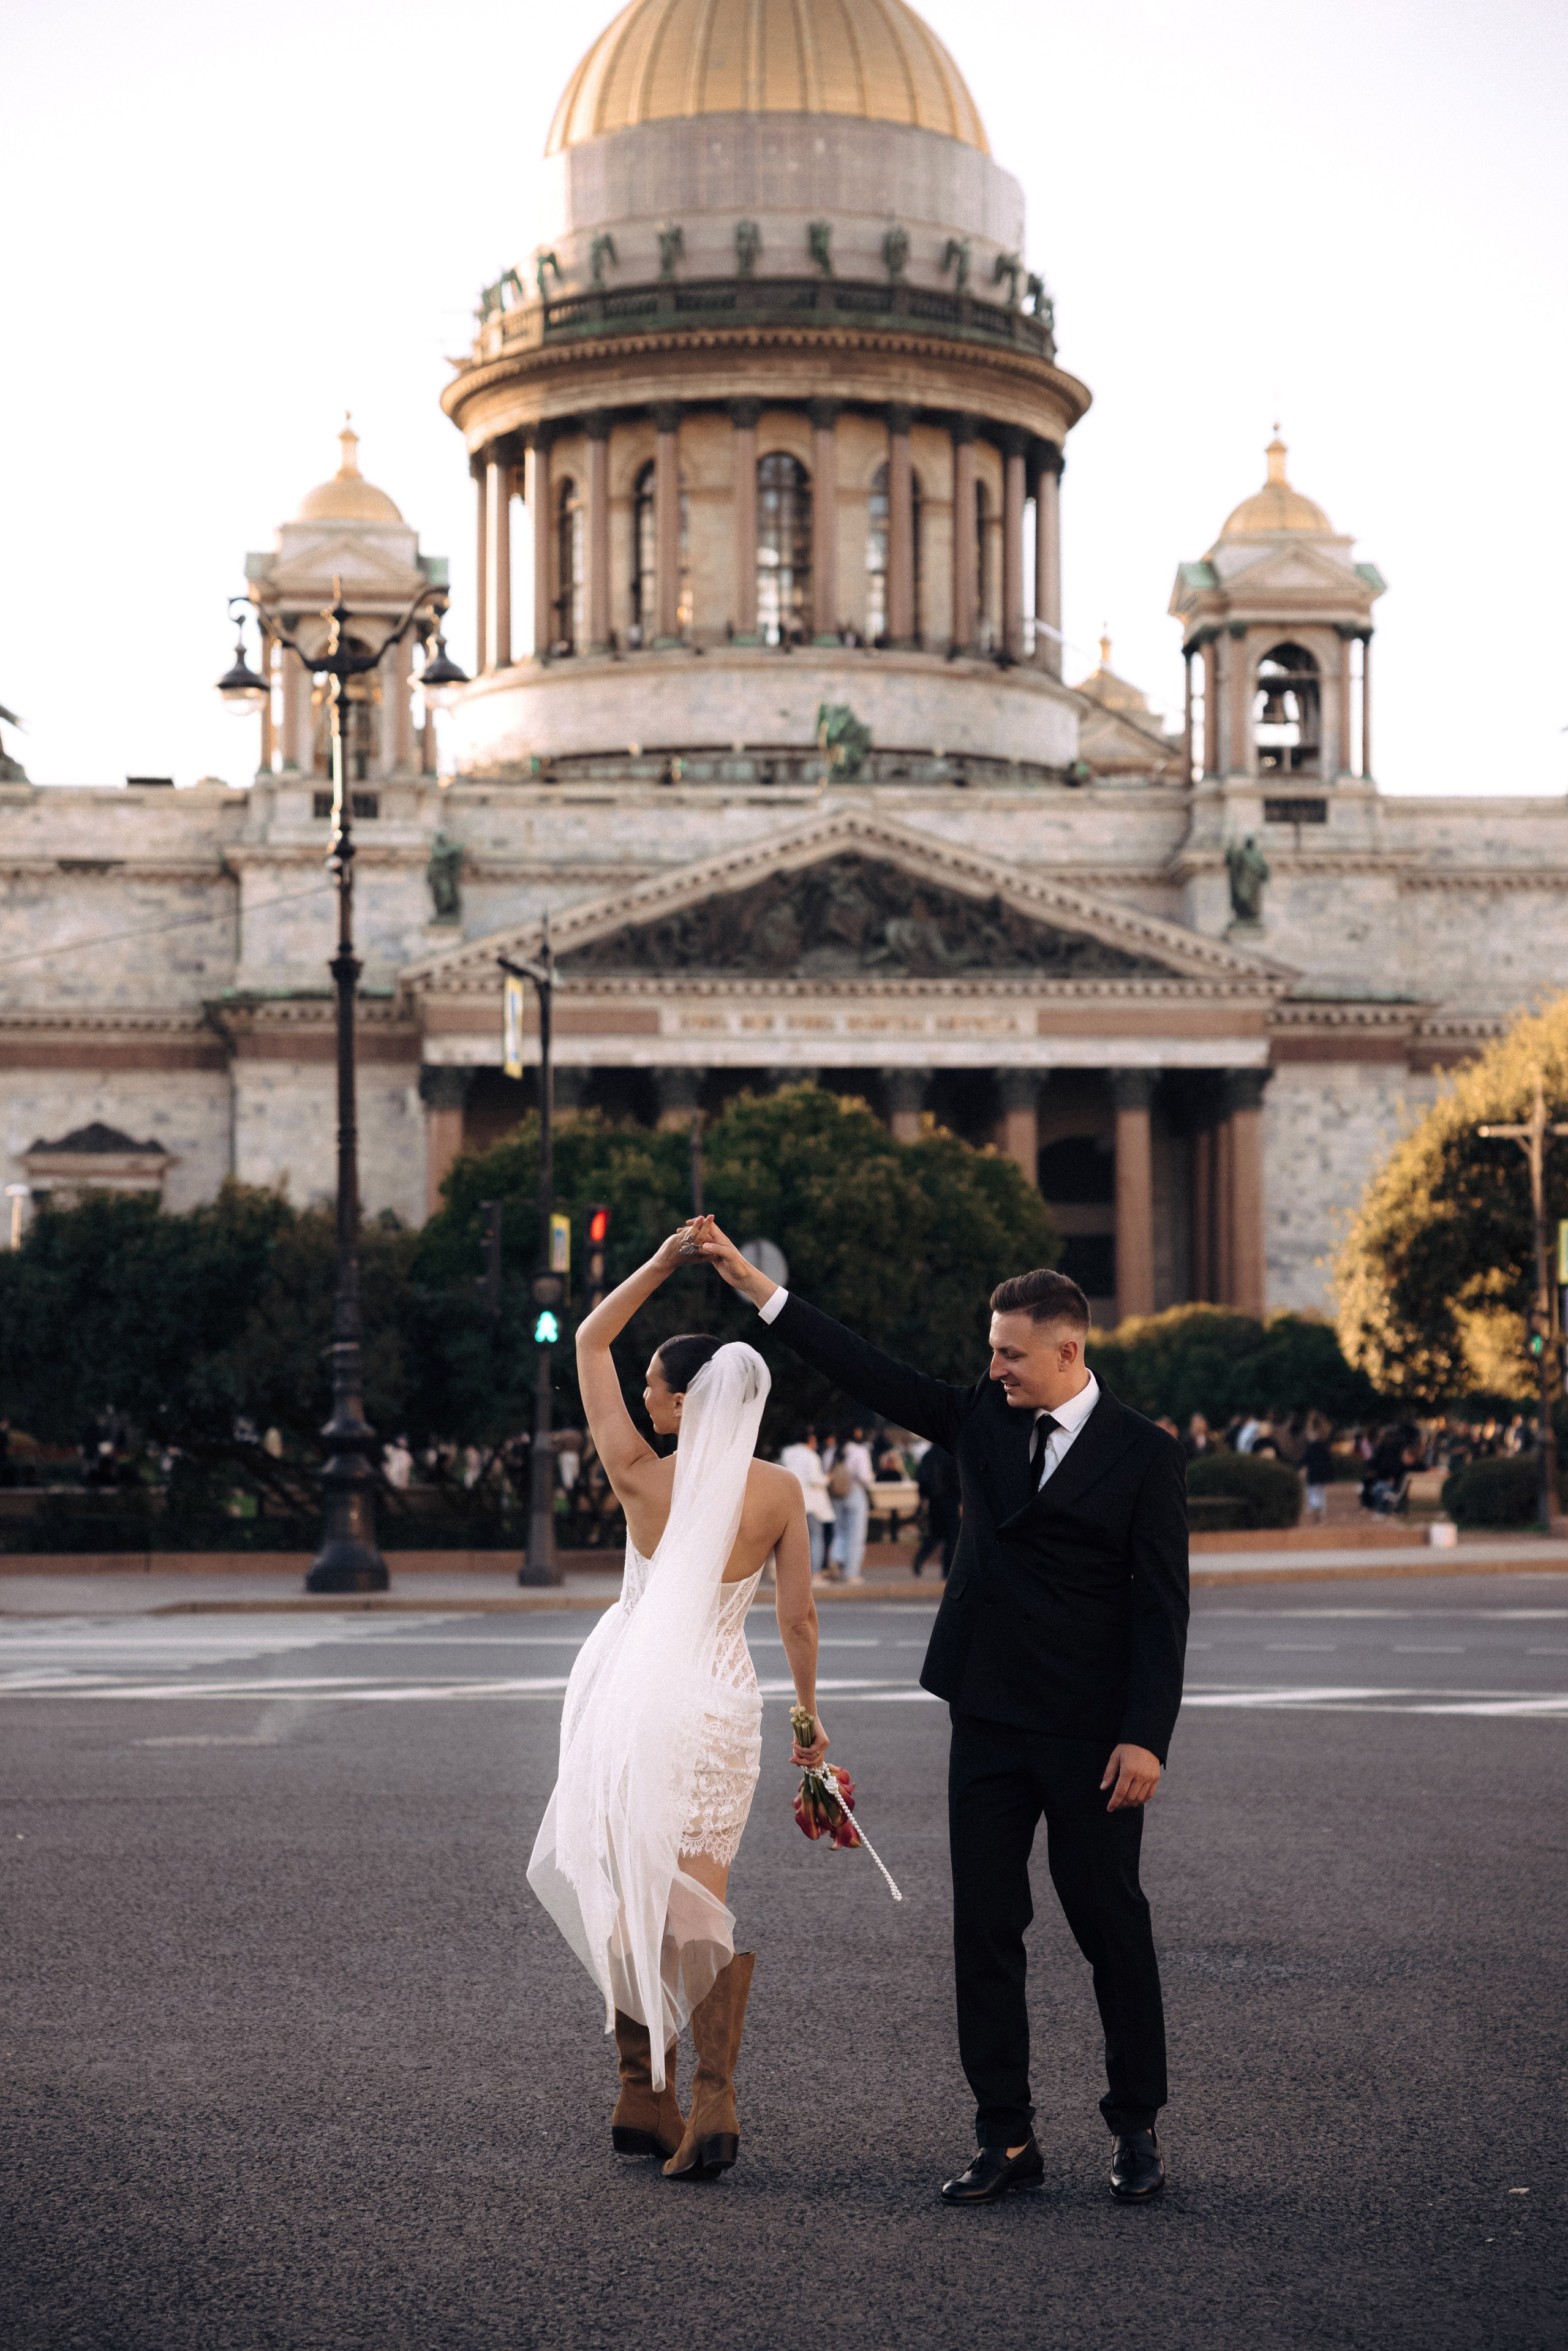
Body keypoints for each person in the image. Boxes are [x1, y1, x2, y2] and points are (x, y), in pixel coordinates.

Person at [695, 1219, 1187, 2209]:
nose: (994, 1366)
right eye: (991, 1349)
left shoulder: (1145, 1453)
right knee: (986, 1929)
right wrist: (755, 1284)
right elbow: (871, 1369)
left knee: (1109, 1922)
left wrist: (1147, 1734)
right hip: (992, 1717)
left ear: (1069, 1350)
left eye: (1010, 1352)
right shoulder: (982, 1418)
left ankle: (1136, 2126)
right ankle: (1005, 2135)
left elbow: (1160, 1606)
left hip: (1095, 1733)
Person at [528, 1225, 825, 2184]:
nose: (646, 1395)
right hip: (723, 1697)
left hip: (633, 1691)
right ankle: (713, 2096)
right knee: (701, 1894)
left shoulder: (640, 1476)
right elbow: (800, 1621)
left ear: (684, 1398)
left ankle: (637, 2086)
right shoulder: (780, 1492)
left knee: (625, 1888)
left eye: (658, 1384)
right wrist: (809, 1726)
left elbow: (586, 1343)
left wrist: (660, 1265)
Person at [779, 1427, 834, 1578]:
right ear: (809, 1440)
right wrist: (828, 1478)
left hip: (793, 1502)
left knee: (795, 1541)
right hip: (812, 1504)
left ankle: (795, 1573)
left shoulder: (787, 1453)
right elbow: (815, 1480)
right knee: (816, 1538)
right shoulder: (811, 1456)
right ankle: (815, 1573)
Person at [828, 1423, 874, 1581]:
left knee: (840, 1531)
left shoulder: (832, 1451)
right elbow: (865, 1477)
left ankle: (836, 1560)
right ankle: (852, 1573)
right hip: (855, 1493)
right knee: (857, 1534)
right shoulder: (860, 1451)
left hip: (835, 1496)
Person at [913, 1440, 961, 1580]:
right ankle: (947, 1572)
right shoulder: (951, 1455)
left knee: (936, 1534)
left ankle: (921, 1556)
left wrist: (925, 1497)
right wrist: (961, 1501)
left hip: (935, 1502)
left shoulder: (929, 1455)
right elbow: (957, 1479)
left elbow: (922, 1478)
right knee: (952, 1538)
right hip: (951, 1501)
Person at [1302, 1413, 1333, 1523]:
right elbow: (1328, 1460)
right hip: (1322, 1471)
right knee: (1321, 1492)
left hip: (1313, 1472)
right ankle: (1321, 1512)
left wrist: (1300, 1465)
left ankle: (1316, 1508)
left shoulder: (1311, 1444)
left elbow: (1305, 1458)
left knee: (1313, 1491)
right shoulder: (1324, 1444)